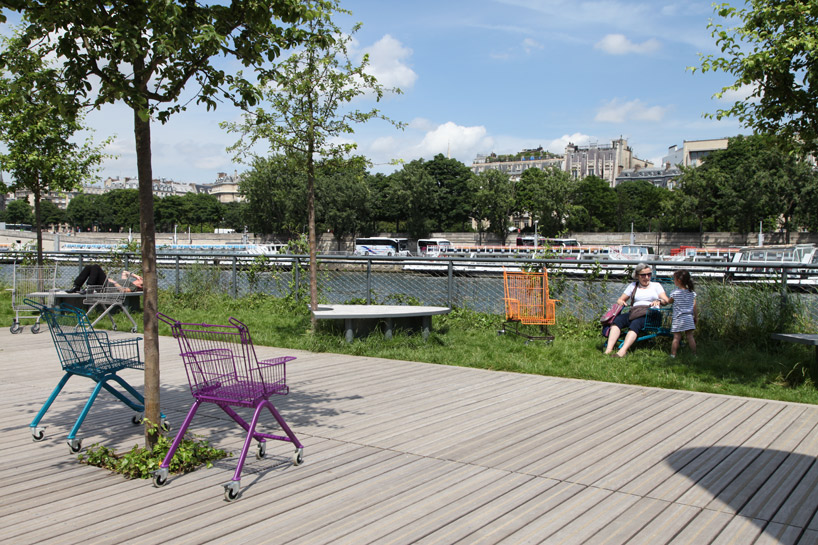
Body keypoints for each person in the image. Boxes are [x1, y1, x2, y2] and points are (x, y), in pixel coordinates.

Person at [604, 262, 670, 358]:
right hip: (635, 312)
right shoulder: (633, 286)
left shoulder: (656, 285)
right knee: (617, 320)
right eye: (643, 275)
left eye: (649, 274)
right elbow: (620, 299)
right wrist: (621, 302)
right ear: (637, 276)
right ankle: (609, 349)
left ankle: (622, 352)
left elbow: (666, 300)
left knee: (635, 323)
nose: (647, 277)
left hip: (651, 315)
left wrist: (659, 301)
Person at [667, 269, 697, 357]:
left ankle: (673, 354)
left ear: (679, 281)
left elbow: (669, 301)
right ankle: (694, 354)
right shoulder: (692, 293)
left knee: (676, 337)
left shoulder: (675, 293)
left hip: (678, 318)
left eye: (674, 279)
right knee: (690, 336)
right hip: (688, 317)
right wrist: (696, 317)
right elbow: (694, 307)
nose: (674, 281)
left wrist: (664, 300)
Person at [67, 266, 143, 293]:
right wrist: (136, 276)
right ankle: (76, 286)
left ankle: (89, 287)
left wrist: (114, 282)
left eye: (140, 280)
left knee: (96, 267)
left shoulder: (134, 287)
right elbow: (124, 272)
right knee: (88, 267)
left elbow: (123, 290)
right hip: (106, 284)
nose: (139, 279)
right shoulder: (128, 281)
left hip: (108, 287)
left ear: (140, 286)